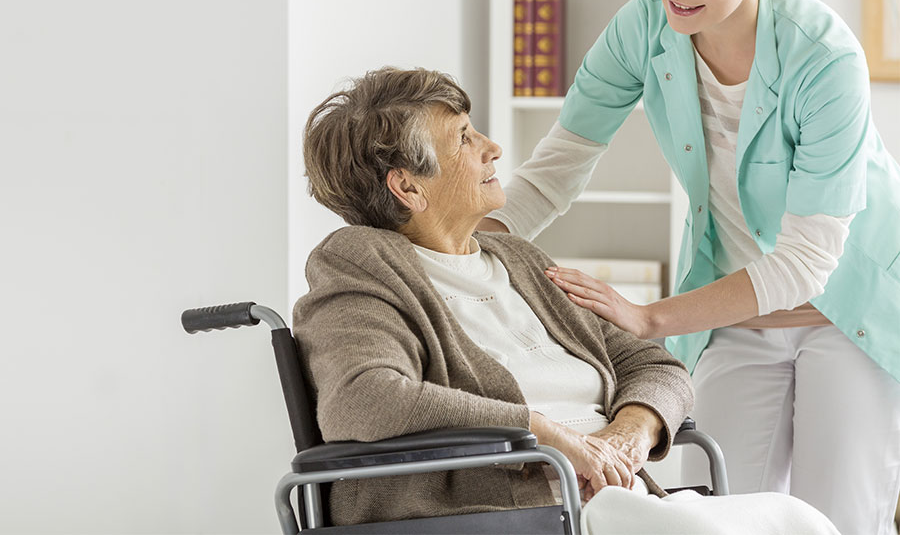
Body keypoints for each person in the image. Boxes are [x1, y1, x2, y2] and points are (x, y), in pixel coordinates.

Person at [479, 0, 900, 535]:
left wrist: (649, 319)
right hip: (733, 308)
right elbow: (559, 164)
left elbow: (806, 262)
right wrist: (458, 247)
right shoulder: (645, 24)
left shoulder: (825, 57)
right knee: (713, 517)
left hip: (849, 313)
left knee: (837, 523)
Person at [296, 66, 838, 534]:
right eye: (463, 138)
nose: (492, 147)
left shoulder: (518, 259)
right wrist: (543, 434)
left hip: (605, 499)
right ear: (408, 188)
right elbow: (362, 400)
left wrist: (629, 432)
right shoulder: (359, 266)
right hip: (505, 511)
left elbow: (654, 364)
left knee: (796, 520)